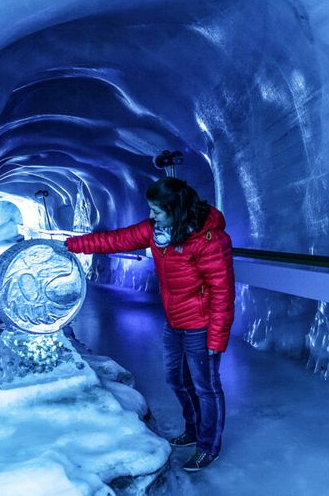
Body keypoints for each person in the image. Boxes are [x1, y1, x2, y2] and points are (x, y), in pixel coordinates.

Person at [66, 177, 234, 472]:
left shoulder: (209, 241)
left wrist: (216, 341)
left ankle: (208, 446)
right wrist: (72, 244)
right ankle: (193, 429)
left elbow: (222, 293)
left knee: (206, 387)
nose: (151, 216)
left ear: (176, 210)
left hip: (202, 326)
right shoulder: (158, 231)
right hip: (175, 322)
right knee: (176, 379)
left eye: (157, 210)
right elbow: (115, 239)